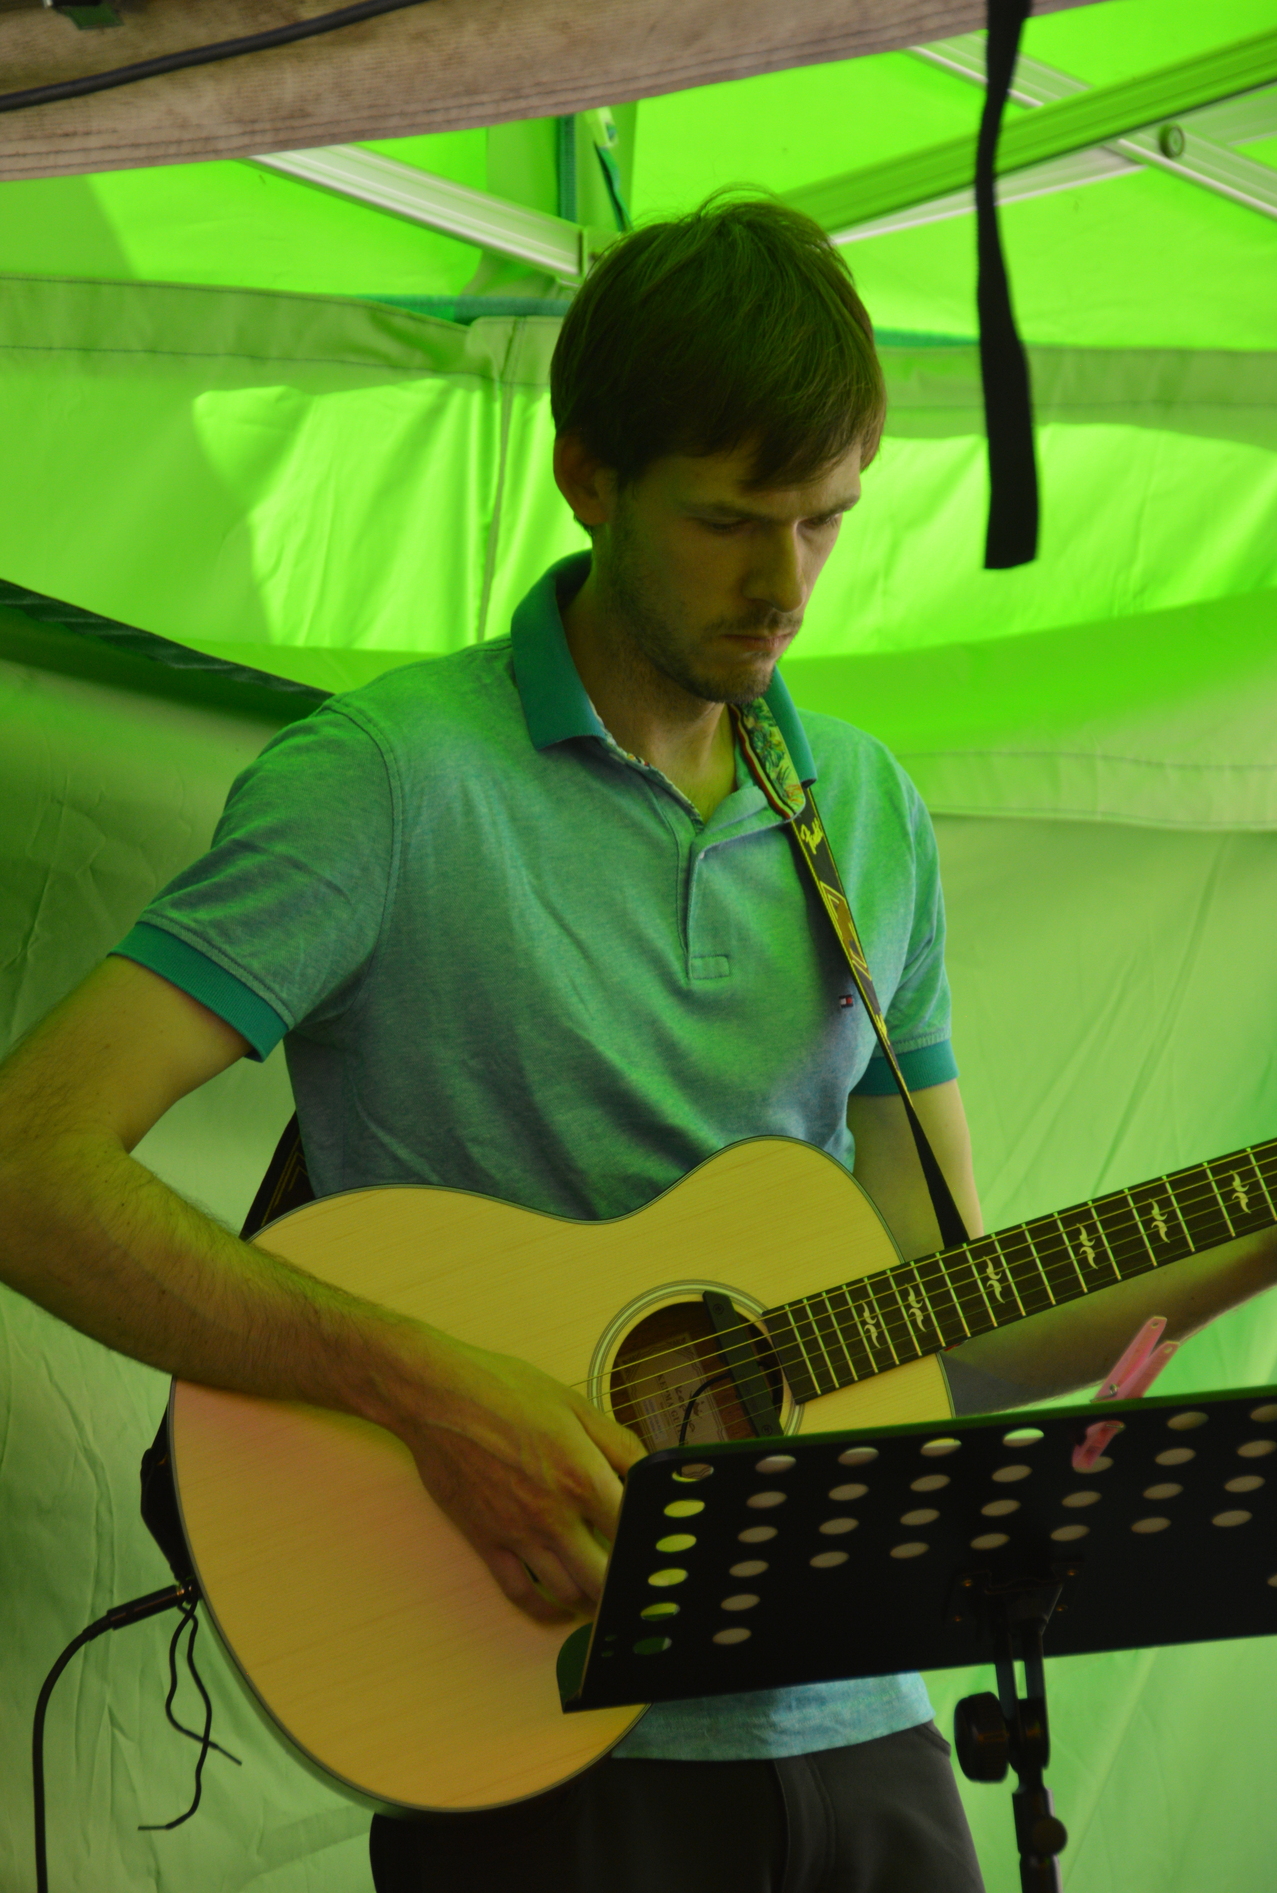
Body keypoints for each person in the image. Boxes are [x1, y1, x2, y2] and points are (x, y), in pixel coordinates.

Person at [1, 197, 1274, 1893]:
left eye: (825, 520)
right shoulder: (386, 783)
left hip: (861, 1701)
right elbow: (29, 1164)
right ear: (586, 477)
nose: (783, 586)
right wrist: (425, 1390)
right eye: (729, 521)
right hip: (533, 1712)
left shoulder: (864, 813)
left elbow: (955, 1324)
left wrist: (1257, 1233)